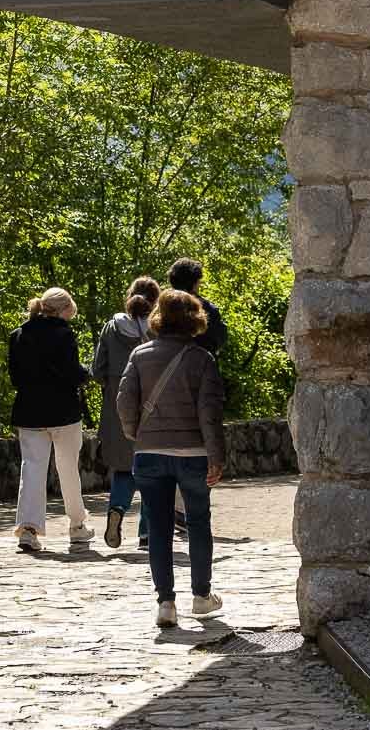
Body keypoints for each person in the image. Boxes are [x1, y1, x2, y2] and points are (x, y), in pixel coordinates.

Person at [118, 289, 226, 629]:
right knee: (197, 522)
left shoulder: (139, 355)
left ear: (159, 317)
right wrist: (217, 456)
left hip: (149, 454)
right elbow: (210, 413)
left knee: (159, 526)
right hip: (193, 454)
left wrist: (137, 434)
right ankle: (201, 595)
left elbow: (124, 402)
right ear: (194, 318)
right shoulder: (202, 360)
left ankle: (166, 602)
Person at [8, 287, 95, 552]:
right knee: (68, 468)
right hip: (63, 411)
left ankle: (28, 528)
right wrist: (87, 374)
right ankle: (77, 526)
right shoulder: (64, 334)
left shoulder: (18, 335)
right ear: (63, 310)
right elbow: (70, 371)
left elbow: (15, 377)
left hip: (29, 411)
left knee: (32, 468)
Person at [91, 276, 161, 549]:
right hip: (150, 406)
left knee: (123, 466)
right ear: (154, 301)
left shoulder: (111, 328)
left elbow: (98, 370)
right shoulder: (157, 329)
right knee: (152, 468)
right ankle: (146, 533)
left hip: (115, 405)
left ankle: (117, 508)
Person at [166, 258, 228, 535]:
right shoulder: (205, 308)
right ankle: (190, 507)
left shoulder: (162, 306)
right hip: (200, 380)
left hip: (165, 383)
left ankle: (174, 508)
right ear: (195, 281)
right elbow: (219, 337)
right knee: (199, 443)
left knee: (170, 443)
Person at [167, 258, 228, 358]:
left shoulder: (160, 307)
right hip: (198, 368)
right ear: (195, 283)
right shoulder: (208, 310)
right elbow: (218, 340)